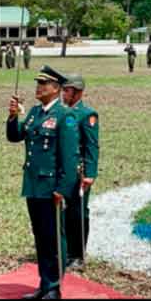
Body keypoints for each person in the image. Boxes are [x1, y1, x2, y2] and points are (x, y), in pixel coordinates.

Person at [6, 66, 71, 299]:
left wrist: (62, 189)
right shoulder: (35, 113)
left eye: (44, 84)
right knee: (41, 237)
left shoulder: (64, 116)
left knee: (53, 238)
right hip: (33, 185)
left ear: (56, 89)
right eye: (38, 83)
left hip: (51, 187)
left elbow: (69, 157)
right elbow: (15, 136)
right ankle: (44, 285)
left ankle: (54, 287)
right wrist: (13, 116)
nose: (39, 87)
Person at [57, 75, 99, 272]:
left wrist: (90, 173)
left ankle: (77, 255)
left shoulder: (87, 114)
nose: (64, 93)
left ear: (78, 92)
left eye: (68, 90)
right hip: (60, 170)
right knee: (61, 212)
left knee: (77, 212)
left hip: (78, 172)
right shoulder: (60, 112)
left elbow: (91, 145)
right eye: (63, 90)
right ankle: (63, 251)